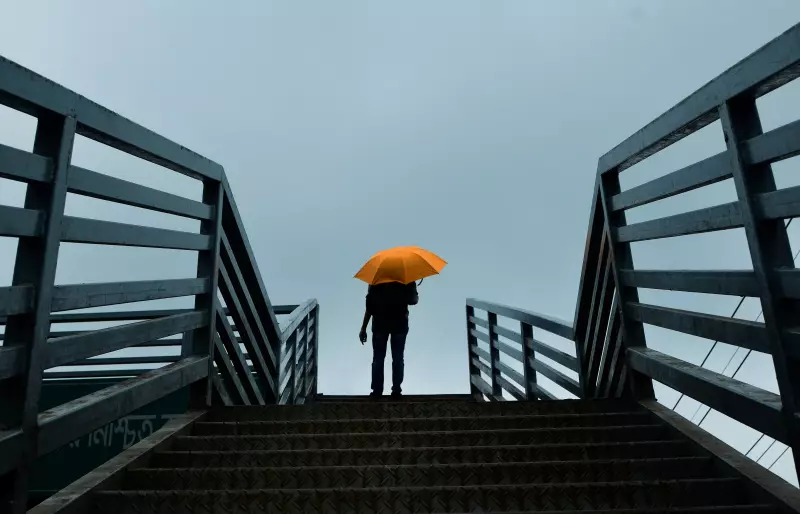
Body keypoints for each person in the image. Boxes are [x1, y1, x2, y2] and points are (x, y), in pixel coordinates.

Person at [359, 280, 419, 397]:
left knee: (378, 359)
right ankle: (396, 390)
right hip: (399, 324)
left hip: (380, 324)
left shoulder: (376, 278)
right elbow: (413, 300)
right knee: (398, 358)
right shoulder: (406, 278)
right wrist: (413, 292)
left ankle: (377, 391)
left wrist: (363, 328)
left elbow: (369, 306)